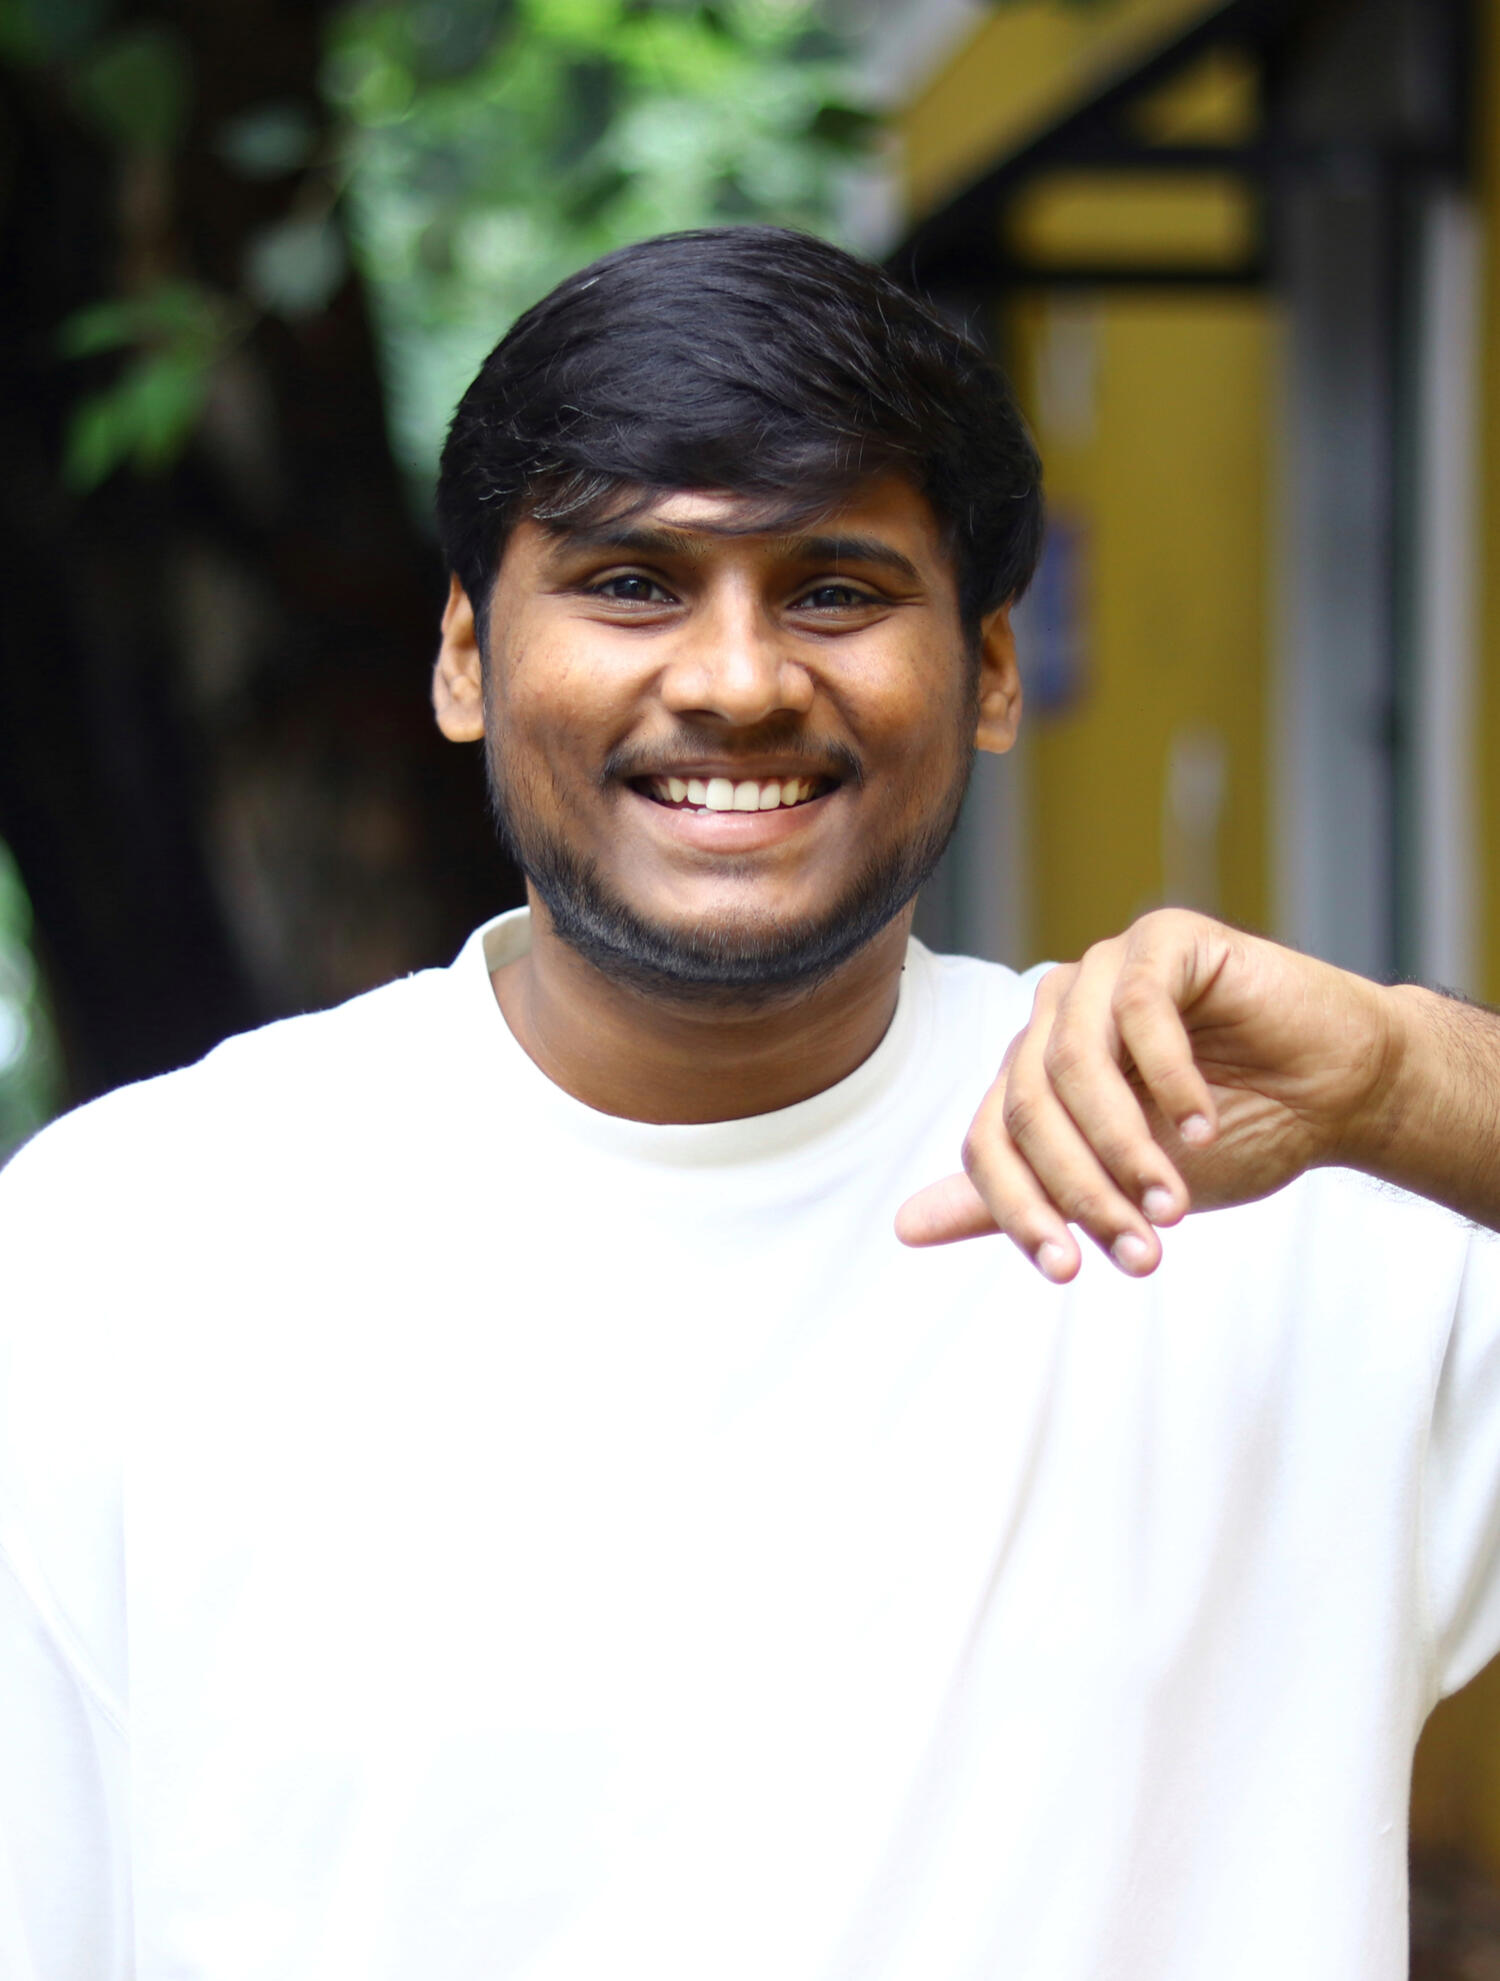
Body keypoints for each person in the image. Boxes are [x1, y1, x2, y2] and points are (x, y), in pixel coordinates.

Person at [2, 225, 1498, 1981]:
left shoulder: (1267, 1190)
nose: (735, 679)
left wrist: (1407, 1076)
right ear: (467, 655)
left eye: (837, 590)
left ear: (991, 669)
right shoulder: (123, 1251)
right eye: (634, 582)